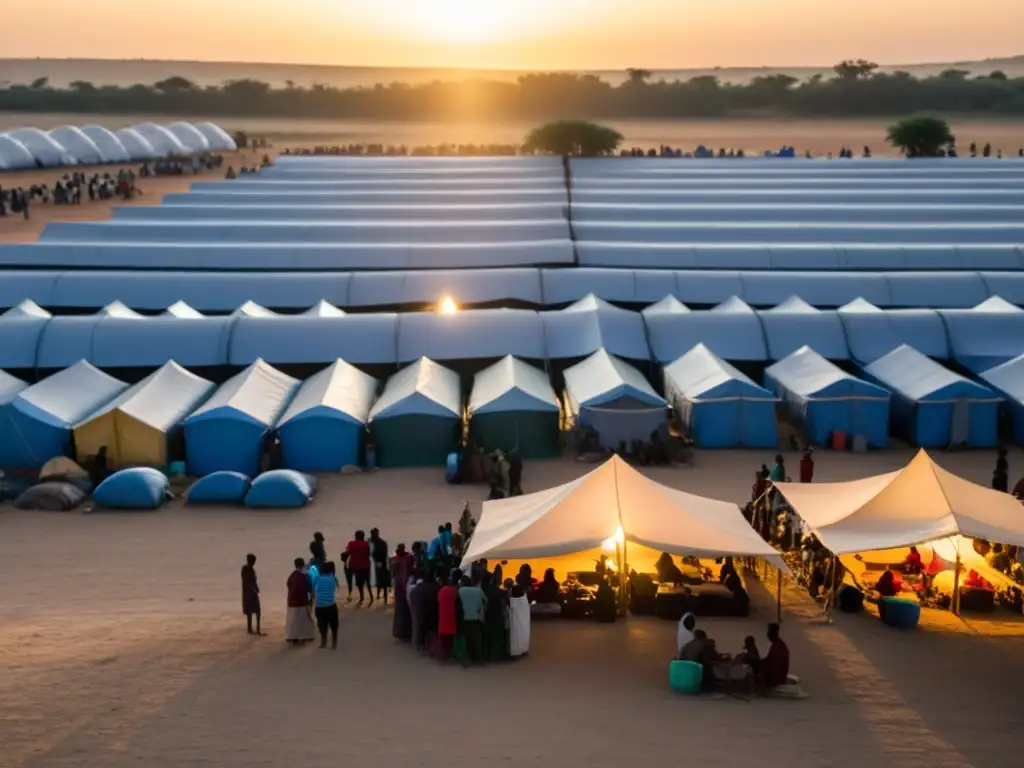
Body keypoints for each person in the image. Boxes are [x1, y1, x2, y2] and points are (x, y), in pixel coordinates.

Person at [459, 575, 488, 665]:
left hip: (465, 617)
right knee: (477, 638)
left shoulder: (460, 591)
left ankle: (467, 659)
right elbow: (486, 601)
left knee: (468, 639)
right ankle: (479, 659)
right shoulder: (478, 590)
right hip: (477, 617)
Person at [285, 557, 315, 644]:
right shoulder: (304, 577)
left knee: (292, 620)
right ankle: (306, 636)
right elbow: (309, 588)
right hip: (302, 601)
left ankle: (292, 636)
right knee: (305, 619)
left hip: (292, 601)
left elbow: (288, 585)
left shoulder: (291, 576)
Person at [313, 561, 340, 649]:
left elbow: (314, 590)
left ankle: (323, 641)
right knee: (334, 625)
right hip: (330, 606)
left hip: (319, 606)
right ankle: (334, 642)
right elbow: (335, 588)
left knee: (322, 624)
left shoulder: (317, 578)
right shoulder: (333, 578)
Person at [391, 544, 414, 640]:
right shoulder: (408, 558)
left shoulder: (394, 560)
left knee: (401, 610)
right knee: (405, 610)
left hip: (400, 586)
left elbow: (392, 574)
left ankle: (402, 632)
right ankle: (406, 632)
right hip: (405, 586)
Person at [345, 530, 373, 605]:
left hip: (355, 566)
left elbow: (347, 552)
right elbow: (369, 553)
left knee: (359, 583)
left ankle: (361, 597)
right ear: (363, 536)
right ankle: (371, 597)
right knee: (368, 582)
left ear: (356, 536)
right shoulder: (366, 544)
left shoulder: (351, 543)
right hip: (366, 565)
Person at [436, 575, 460, 660]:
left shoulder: (441, 592)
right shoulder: (454, 591)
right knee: (450, 640)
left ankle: (443, 654)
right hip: (451, 618)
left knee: (444, 639)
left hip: (443, 617)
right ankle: (450, 655)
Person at [760, 623, 790, 690]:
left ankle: (762, 688)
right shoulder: (777, 644)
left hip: (777, 677)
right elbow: (770, 659)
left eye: (769, 633)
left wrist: (763, 665)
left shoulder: (778, 647)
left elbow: (774, 664)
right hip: (777, 673)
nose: (767, 635)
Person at [241, 554, 263, 636]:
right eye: (253, 561)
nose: (254, 562)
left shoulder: (250, 569)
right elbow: (248, 581)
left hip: (251, 592)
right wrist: (254, 588)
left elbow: (253, 580)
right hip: (249, 593)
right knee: (253, 611)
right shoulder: (246, 569)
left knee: (255, 611)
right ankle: (252, 629)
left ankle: (255, 629)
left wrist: (256, 588)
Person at [369, 528, 391, 604]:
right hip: (381, 563)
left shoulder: (378, 542)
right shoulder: (380, 542)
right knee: (381, 580)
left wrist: (378, 561)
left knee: (381, 580)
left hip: (381, 563)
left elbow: (381, 554)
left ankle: (382, 596)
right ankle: (381, 596)